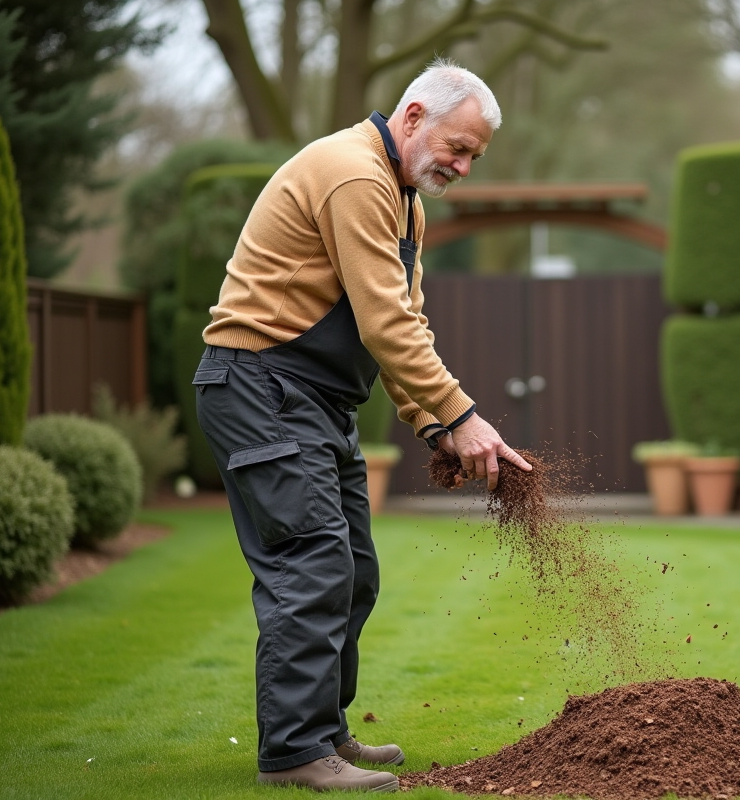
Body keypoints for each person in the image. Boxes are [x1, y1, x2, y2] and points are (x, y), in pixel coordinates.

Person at [192, 59, 531, 791]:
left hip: (314, 398)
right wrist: (464, 417)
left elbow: (402, 325)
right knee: (313, 561)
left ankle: (325, 734)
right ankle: (293, 752)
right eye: (459, 147)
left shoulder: (405, 199)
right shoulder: (354, 175)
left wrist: (431, 425)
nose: (465, 166)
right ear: (413, 117)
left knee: (354, 573)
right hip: (260, 385)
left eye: (475, 156)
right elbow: (383, 322)